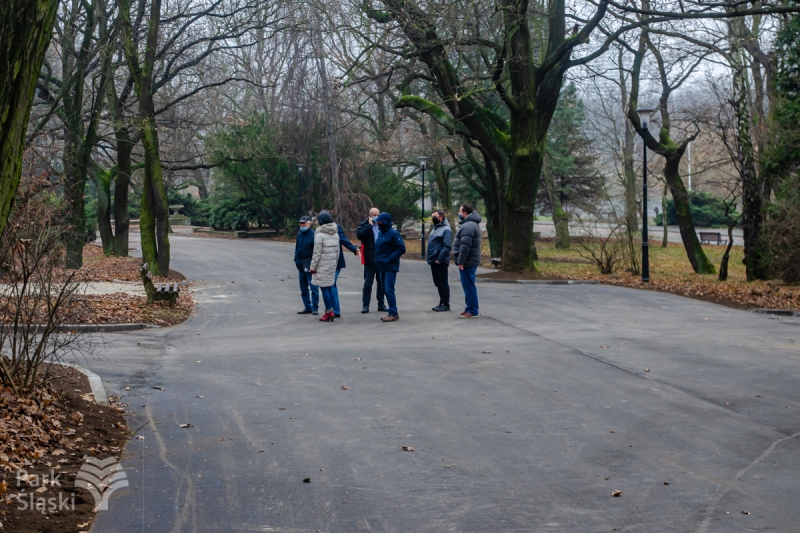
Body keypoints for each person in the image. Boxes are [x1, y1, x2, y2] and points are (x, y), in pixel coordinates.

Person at [309, 211, 341, 322]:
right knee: (329, 286)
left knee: (324, 288)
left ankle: (329, 311)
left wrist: (312, 267)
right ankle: (330, 310)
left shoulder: (319, 235)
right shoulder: (335, 234)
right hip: (331, 264)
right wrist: (335, 264)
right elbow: (338, 252)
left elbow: (316, 253)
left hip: (322, 265)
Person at [374, 212, 406, 322]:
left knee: (389, 289)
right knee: (384, 289)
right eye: (378, 222)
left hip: (390, 266)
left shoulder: (393, 234)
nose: (379, 224)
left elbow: (401, 248)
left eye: (381, 222)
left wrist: (390, 258)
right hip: (381, 265)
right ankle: (392, 312)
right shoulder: (380, 233)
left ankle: (393, 312)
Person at [453, 203, 481, 319]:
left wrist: (461, 261)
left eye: (460, 211)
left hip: (468, 261)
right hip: (469, 260)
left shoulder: (468, 226)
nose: (459, 213)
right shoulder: (470, 224)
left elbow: (465, 246)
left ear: (465, 213)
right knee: (467, 286)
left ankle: (473, 310)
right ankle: (469, 308)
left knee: (469, 286)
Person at [356, 207, 386, 313]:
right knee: (368, 283)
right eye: (374, 214)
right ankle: (365, 305)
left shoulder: (383, 224)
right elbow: (359, 235)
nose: (376, 216)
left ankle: (381, 304)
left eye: (378, 214)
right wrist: (369, 226)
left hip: (381, 258)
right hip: (370, 258)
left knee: (381, 282)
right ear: (369, 215)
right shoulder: (364, 224)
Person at [331, 221, 360, 318]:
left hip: (336, 261)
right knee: (330, 285)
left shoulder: (336, 228)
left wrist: (354, 249)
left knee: (331, 284)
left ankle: (335, 310)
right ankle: (333, 310)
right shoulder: (319, 230)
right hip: (325, 262)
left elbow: (343, 240)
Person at [427, 209, 452, 312]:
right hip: (433, 260)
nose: (433, 218)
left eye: (435, 216)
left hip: (440, 261)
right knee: (437, 282)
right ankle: (441, 301)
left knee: (442, 282)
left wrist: (440, 259)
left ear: (441, 216)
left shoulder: (446, 229)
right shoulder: (435, 228)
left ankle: (445, 303)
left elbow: (447, 246)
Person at [294, 216, 319, 315]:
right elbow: (297, 248)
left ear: (309, 224)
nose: (301, 225)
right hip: (300, 264)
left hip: (310, 264)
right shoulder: (299, 235)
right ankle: (307, 306)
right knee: (303, 288)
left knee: (313, 287)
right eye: (300, 223)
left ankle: (315, 307)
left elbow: (316, 251)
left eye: (303, 223)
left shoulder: (313, 235)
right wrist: (296, 259)